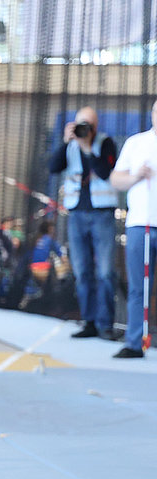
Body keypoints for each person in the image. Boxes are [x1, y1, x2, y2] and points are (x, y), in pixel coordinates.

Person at [47, 106, 121, 340]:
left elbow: (106, 171)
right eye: (80, 124)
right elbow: (53, 167)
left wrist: (87, 147)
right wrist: (65, 142)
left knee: (105, 271)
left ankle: (105, 324)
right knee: (81, 270)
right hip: (77, 214)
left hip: (102, 214)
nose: (84, 129)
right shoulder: (70, 146)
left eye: (88, 124)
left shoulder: (105, 143)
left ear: (95, 126)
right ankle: (88, 321)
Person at [109, 98, 157, 359]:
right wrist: (137, 175)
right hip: (141, 224)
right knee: (138, 287)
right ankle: (135, 342)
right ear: (152, 114)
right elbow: (116, 179)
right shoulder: (136, 143)